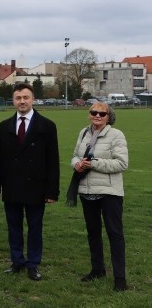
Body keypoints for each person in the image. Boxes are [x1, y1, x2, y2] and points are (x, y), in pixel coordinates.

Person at [0, 83, 60, 281]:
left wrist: (51, 191)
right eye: (18, 98)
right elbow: (0, 159)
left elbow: (52, 160)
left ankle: (33, 264)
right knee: (13, 227)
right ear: (13, 100)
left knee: (35, 227)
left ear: (33, 99)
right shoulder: (4, 126)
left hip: (36, 186)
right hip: (12, 185)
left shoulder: (47, 126)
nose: (22, 101)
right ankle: (17, 261)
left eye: (26, 97)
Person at [70, 103, 129, 291]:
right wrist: (77, 164)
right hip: (87, 191)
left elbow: (121, 163)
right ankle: (97, 269)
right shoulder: (83, 133)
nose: (97, 115)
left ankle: (120, 278)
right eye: (93, 112)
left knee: (115, 234)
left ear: (108, 116)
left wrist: (93, 163)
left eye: (101, 113)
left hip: (109, 192)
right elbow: (74, 155)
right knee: (93, 233)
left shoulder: (116, 135)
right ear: (89, 115)